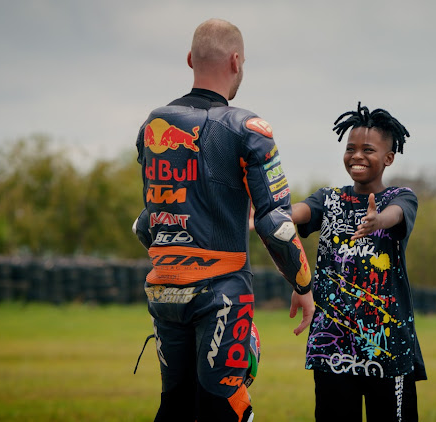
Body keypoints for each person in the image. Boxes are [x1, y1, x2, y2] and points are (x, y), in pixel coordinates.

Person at [131, 18, 314, 422]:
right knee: (224, 406)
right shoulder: (248, 128)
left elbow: (147, 221)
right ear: (236, 61)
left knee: (175, 405)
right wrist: (302, 283)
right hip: (222, 294)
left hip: (163, 293)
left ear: (190, 58)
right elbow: (275, 223)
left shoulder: (151, 126)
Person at [290, 102, 427, 421]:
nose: (357, 156)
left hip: (387, 350)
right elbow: (303, 211)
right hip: (332, 350)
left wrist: (378, 220)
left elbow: (396, 216)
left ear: (388, 158)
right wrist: (278, 213)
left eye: (368, 149)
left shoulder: (400, 198)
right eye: (351, 148)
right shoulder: (328, 198)